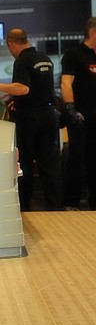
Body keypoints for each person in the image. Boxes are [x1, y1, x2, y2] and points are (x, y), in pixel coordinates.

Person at [0, 29, 62, 210]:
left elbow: (23, 88)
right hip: (48, 115)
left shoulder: (22, 60)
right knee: (50, 165)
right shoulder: (45, 59)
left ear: (11, 44)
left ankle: (24, 207)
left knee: (24, 164)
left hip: (29, 119)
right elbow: (40, 89)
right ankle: (56, 208)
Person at [60, 16, 96, 210]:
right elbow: (66, 83)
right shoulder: (74, 54)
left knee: (94, 160)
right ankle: (71, 202)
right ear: (93, 32)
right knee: (76, 158)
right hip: (80, 116)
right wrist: (70, 108)